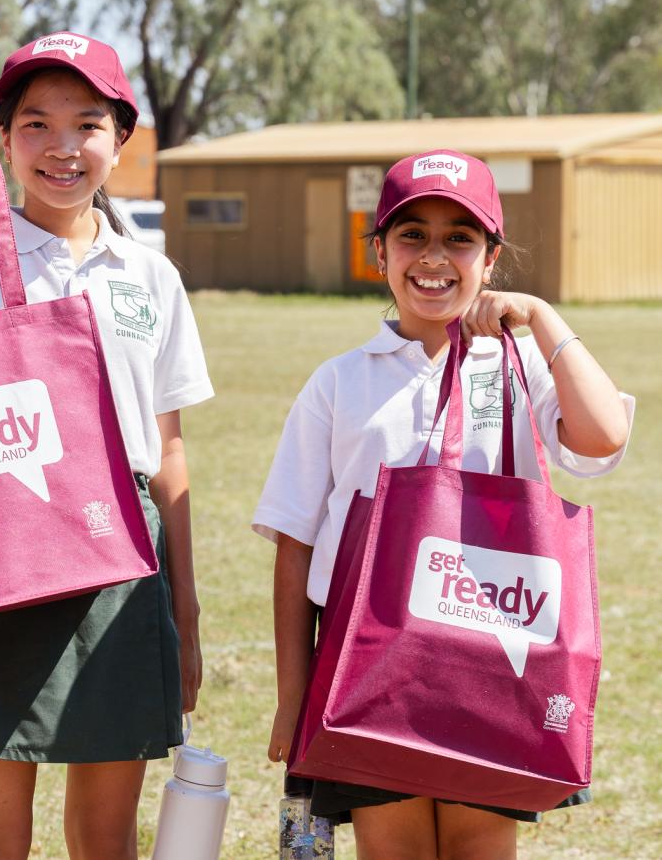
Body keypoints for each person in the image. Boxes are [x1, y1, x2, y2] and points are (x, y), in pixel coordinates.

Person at [254, 149, 634, 858]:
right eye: (412, 234)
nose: (434, 256)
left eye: (460, 237)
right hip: (367, 672)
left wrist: (543, 318)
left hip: (489, 667)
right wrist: (291, 694)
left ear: (491, 259)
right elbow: (295, 541)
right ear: (379, 252)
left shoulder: (520, 368)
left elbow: (605, 433)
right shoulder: (340, 383)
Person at [0, 32, 214, 860]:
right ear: (5, 140)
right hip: (1, 556)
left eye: (86, 123)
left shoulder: (151, 277)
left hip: (126, 564)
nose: (61, 147)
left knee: (106, 832)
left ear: (121, 140)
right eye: (35, 124)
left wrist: (183, 610)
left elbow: (170, 452)